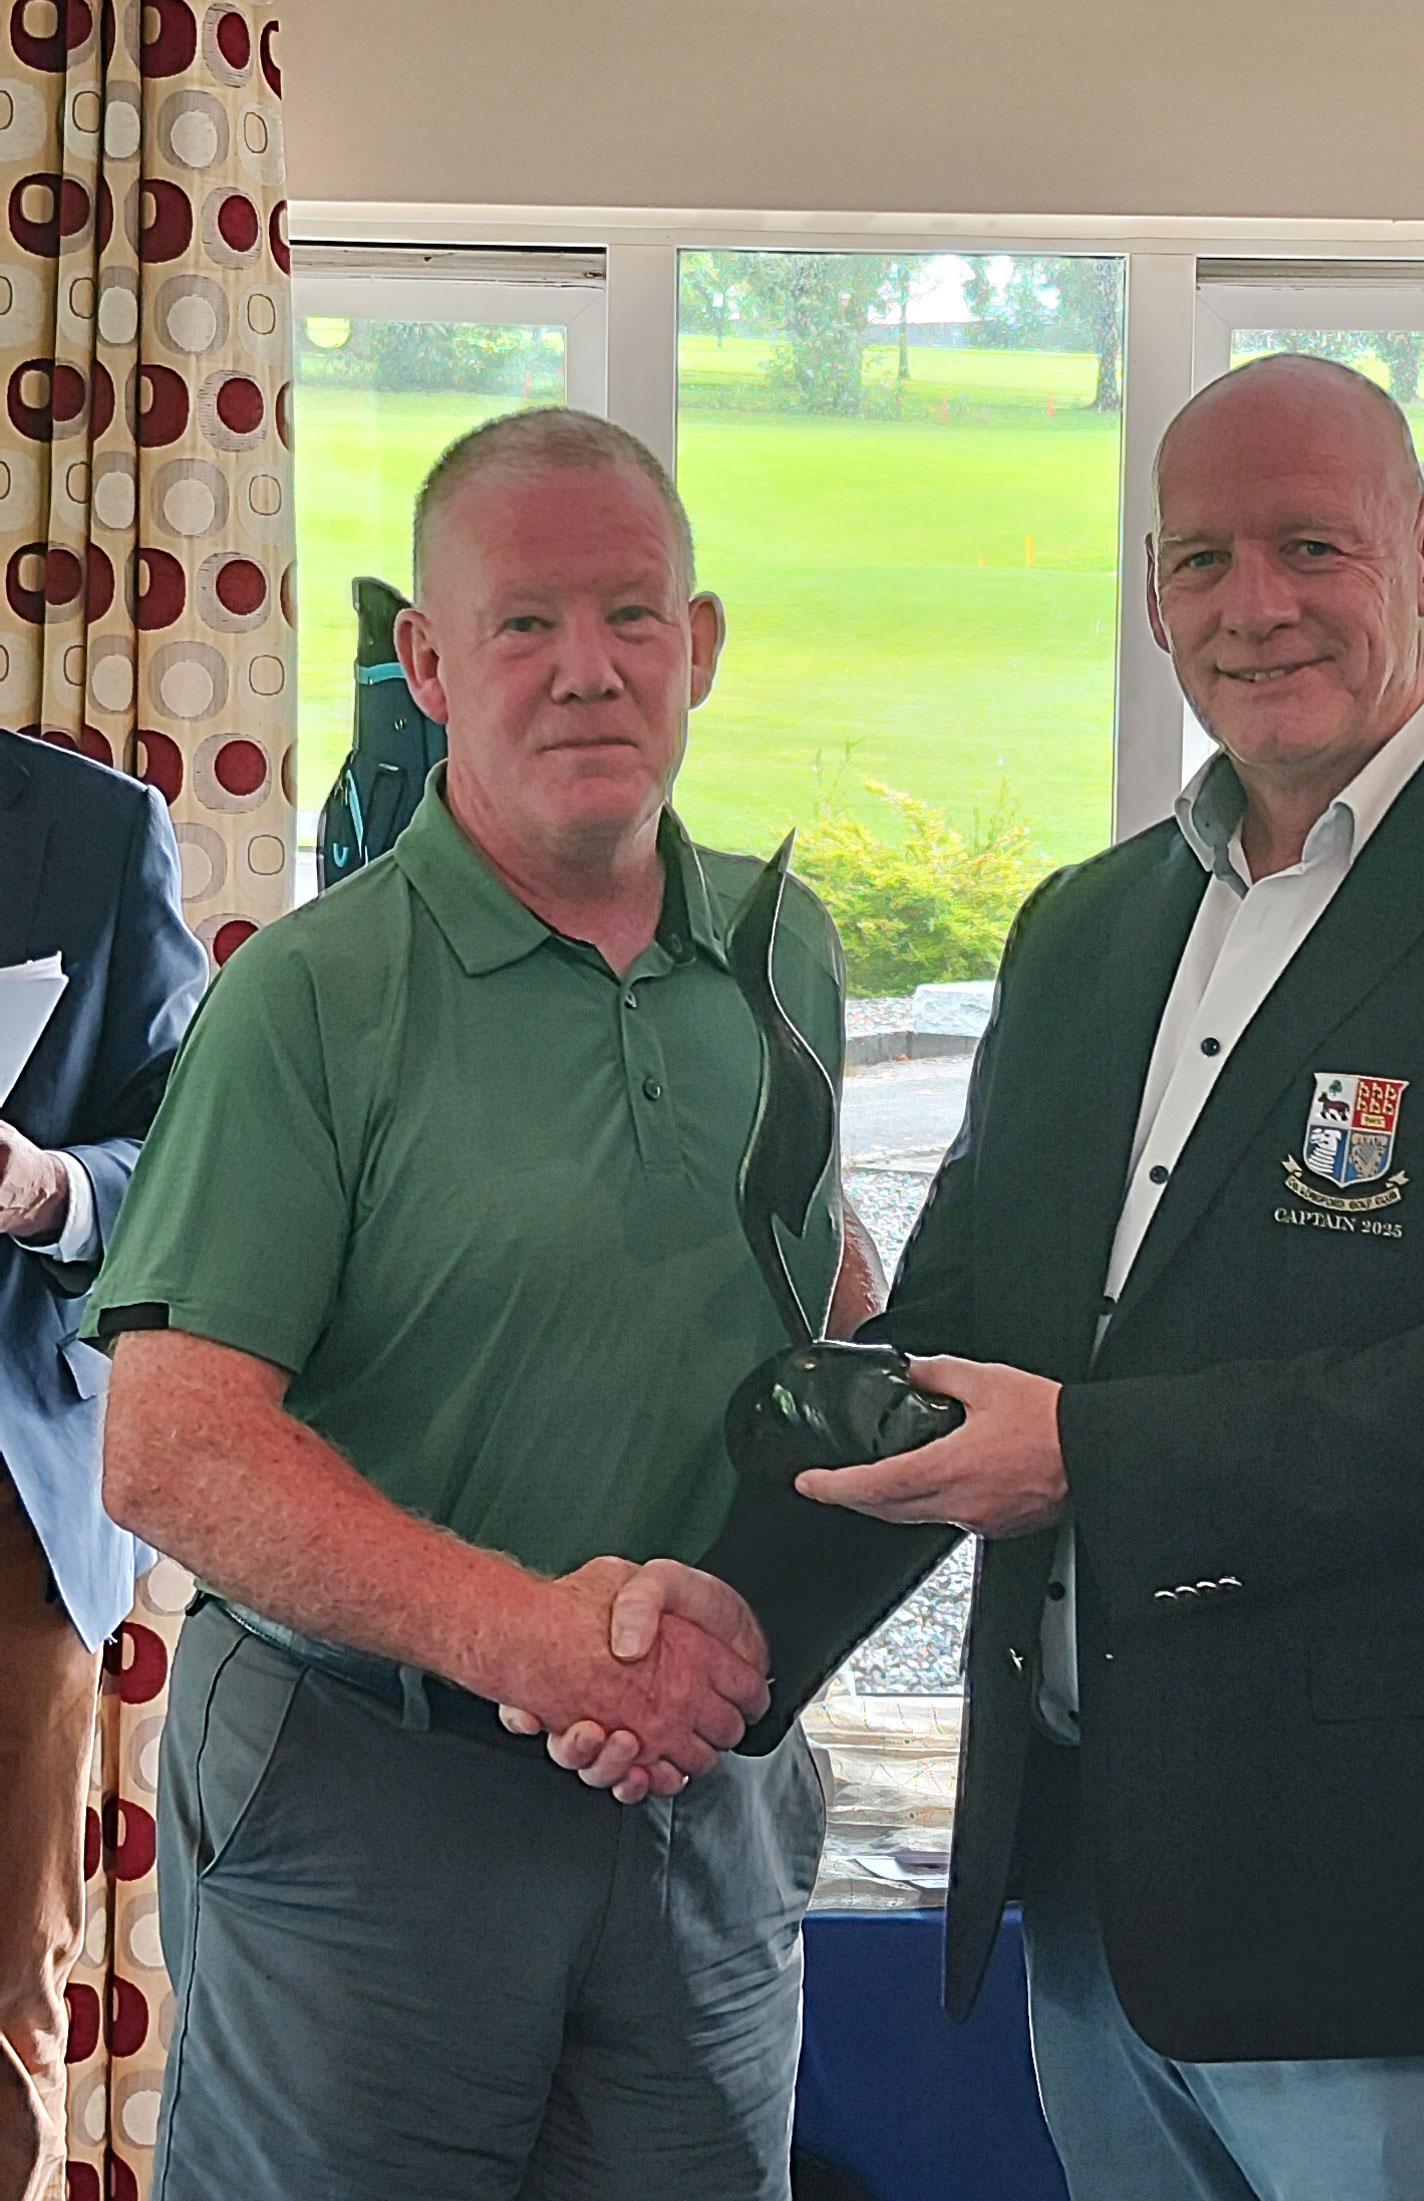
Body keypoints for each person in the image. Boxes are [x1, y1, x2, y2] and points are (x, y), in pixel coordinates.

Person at [582, 356, 1424, 2201]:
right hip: (1098, 1882)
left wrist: (1093, 1460)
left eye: (1312, 545)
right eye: (1201, 559)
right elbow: (958, 1345)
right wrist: (738, 1628)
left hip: (1416, 1916)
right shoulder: (1082, 925)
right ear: (1151, 596)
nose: (1255, 605)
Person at [88, 408, 880, 2201]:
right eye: (525, 623)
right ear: (428, 666)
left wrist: (739, 1616)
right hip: (374, 1792)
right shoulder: (308, 997)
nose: (588, 668)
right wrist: (533, 1637)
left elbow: (818, 1297)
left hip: (705, 1802)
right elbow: (172, 1446)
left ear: (704, 645)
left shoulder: (789, 949)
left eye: (632, 613)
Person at [0, 730, 206, 2201]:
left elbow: (195, 1161)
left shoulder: (95, 827)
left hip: (8, 1483)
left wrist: (47, 1185)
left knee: (7, 1969)